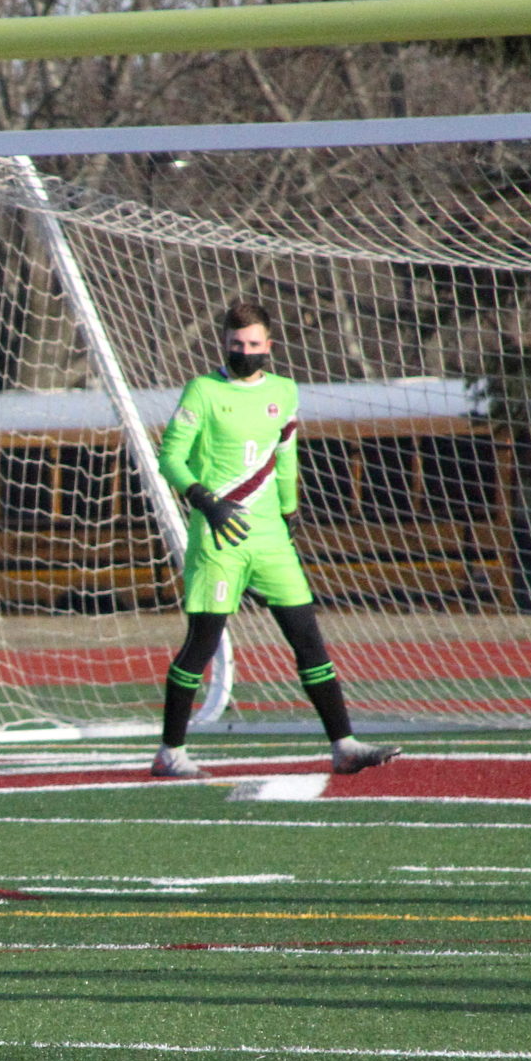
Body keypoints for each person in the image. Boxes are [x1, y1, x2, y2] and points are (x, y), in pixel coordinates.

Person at [151, 299, 397, 779]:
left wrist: (290, 509)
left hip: (271, 540)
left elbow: (286, 454)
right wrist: (206, 501)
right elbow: (171, 457)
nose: (245, 351)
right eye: (237, 344)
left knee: (308, 638)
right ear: (224, 344)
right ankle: (170, 753)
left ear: (269, 346)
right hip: (219, 538)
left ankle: (344, 745)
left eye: (254, 344)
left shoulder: (284, 391)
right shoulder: (202, 391)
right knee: (202, 644)